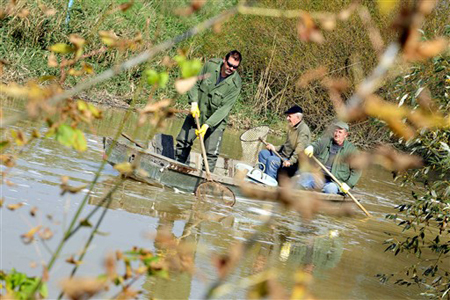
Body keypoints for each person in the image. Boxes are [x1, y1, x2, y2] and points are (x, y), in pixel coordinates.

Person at [175, 50, 242, 172]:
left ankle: (205, 180)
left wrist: (207, 125)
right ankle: (177, 167)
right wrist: (194, 103)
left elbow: (224, 109)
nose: (231, 68)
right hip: (197, 113)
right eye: (229, 64)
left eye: (235, 67)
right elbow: (194, 82)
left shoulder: (235, 84)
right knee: (183, 142)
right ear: (224, 60)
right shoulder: (210, 65)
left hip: (215, 122)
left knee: (210, 154)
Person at [299, 121, 361, 194]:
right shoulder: (326, 141)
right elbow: (316, 145)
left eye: (340, 132)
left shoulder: (352, 150)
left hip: (336, 182)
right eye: (335, 131)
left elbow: (357, 171)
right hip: (319, 176)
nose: (336, 134)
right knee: (303, 178)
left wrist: (349, 184)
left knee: (330, 189)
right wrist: (311, 147)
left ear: (346, 135)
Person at [258, 105, 311, 179]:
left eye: (290, 116)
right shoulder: (291, 127)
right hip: (283, 156)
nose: (287, 118)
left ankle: (270, 184)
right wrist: (274, 148)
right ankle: (262, 177)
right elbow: (286, 146)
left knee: (272, 160)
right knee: (263, 153)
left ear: (297, 118)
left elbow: (300, 149)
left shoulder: (303, 130)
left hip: (293, 162)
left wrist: (290, 161)